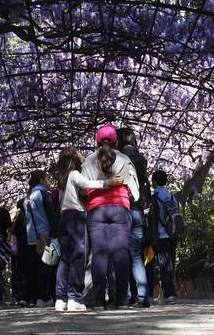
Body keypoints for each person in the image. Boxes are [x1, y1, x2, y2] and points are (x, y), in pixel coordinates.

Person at [54, 147, 122, 312]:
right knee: (78, 257)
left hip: (63, 218)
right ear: (73, 160)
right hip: (76, 217)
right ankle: (74, 298)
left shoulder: (61, 180)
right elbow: (88, 184)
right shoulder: (74, 175)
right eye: (78, 155)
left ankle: (60, 298)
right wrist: (108, 182)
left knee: (64, 259)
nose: (82, 157)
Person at [81, 124, 140, 309]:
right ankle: (122, 300)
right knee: (121, 253)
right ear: (116, 141)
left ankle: (99, 301)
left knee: (99, 254)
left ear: (97, 141)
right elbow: (135, 190)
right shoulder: (124, 158)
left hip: (96, 210)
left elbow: (82, 189)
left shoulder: (88, 161)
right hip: (120, 209)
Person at [117, 127, 151, 308]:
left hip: (123, 207)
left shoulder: (118, 158)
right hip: (138, 209)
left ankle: (127, 296)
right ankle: (143, 296)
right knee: (136, 255)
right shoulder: (142, 159)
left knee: (122, 254)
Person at [24, 170, 58, 307]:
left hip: (32, 236)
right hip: (45, 234)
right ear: (42, 180)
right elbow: (51, 216)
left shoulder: (28, 197)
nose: (49, 181)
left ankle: (33, 297)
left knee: (33, 267)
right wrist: (55, 233)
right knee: (46, 266)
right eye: (48, 178)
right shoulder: (43, 194)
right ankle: (43, 297)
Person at [146, 170, 179, 304]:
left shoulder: (155, 197)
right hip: (173, 233)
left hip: (161, 234)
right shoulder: (171, 196)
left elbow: (151, 216)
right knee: (170, 264)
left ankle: (169, 295)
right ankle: (170, 293)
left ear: (154, 181)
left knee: (164, 265)